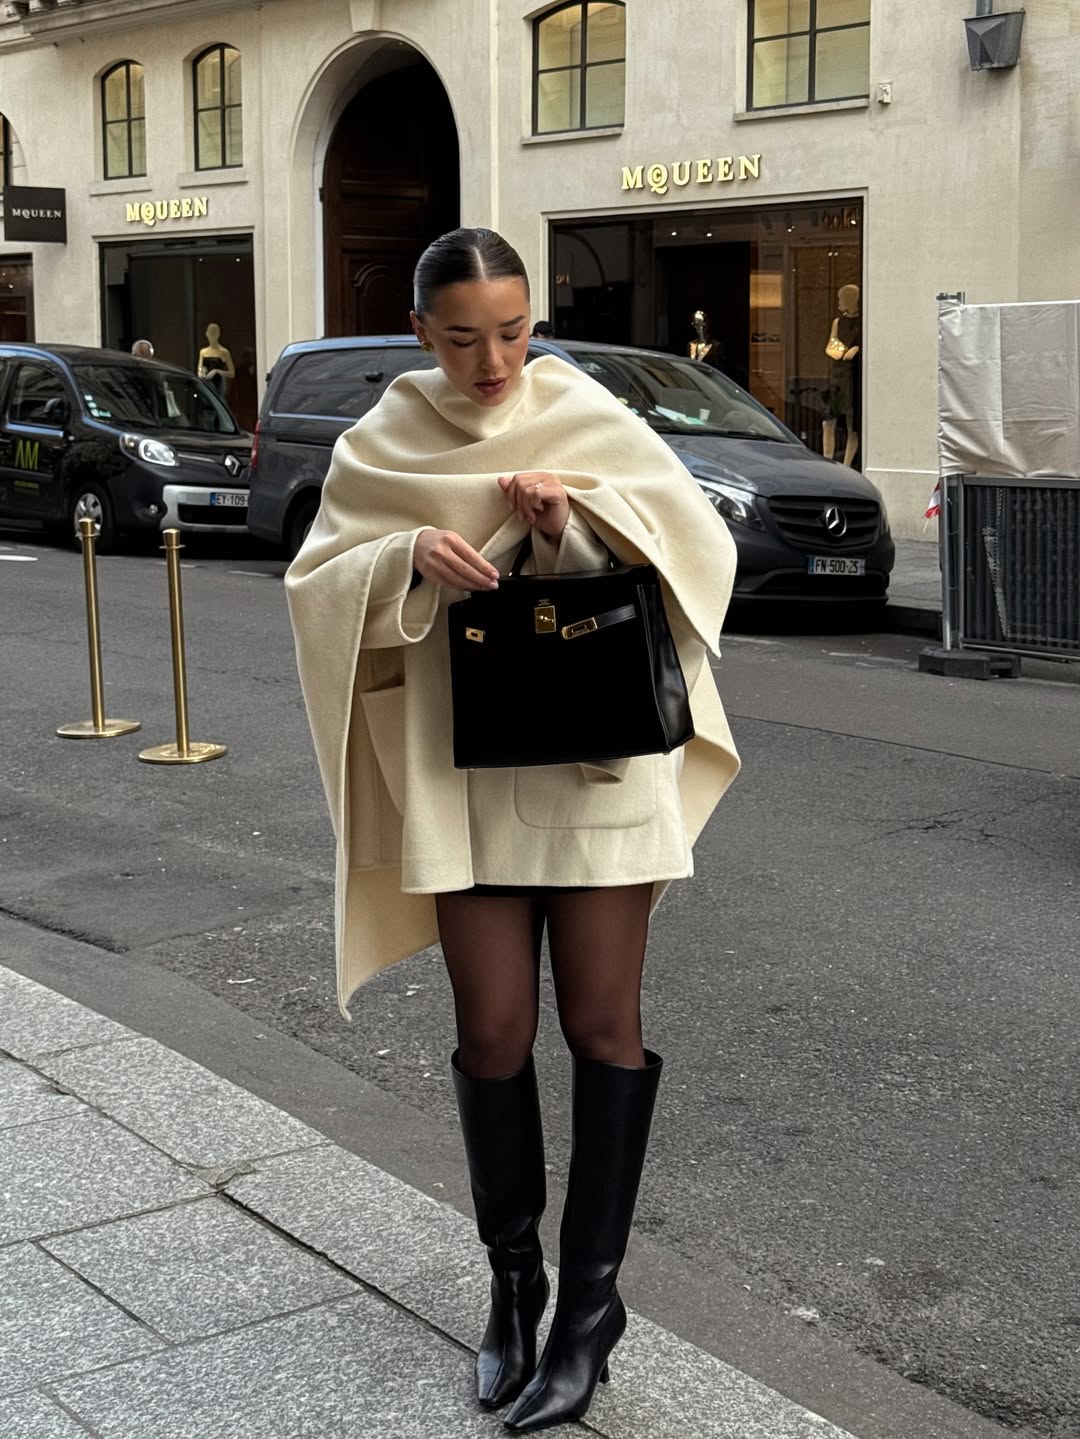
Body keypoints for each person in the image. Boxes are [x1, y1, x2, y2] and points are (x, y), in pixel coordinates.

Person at [285, 228, 740, 1432]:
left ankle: (589, 1309)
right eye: (465, 336)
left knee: (603, 1027)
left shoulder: (584, 409)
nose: (495, 359)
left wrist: (563, 528)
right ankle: (512, 1283)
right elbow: (316, 583)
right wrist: (404, 558)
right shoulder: (380, 440)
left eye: (514, 329)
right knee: (489, 1031)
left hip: (594, 771)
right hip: (460, 769)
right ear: (423, 334)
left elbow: (698, 551)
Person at [822, 283, 861, 467]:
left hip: (853, 376)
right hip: (838, 375)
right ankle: (827, 460)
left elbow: (850, 350)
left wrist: (853, 350)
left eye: (840, 299)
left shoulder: (862, 322)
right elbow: (831, 347)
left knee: (852, 426)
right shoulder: (838, 322)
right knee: (828, 421)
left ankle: (846, 465)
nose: (838, 303)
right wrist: (846, 350)